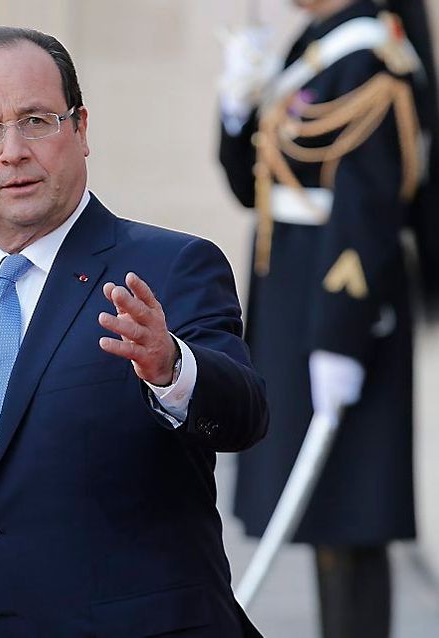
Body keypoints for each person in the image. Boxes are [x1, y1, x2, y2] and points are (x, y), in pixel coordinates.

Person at [0, 27, 269, 637]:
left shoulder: (169, 268)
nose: (13, 150)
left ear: (81, 129)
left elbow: (244, 414)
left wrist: (174, 370)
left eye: (37, 120)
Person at [217, 1, 438, 635]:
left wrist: (340, 334)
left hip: (341, 305)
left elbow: (367, 204)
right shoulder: (314, 45)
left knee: (349, 514)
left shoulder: (371, 55)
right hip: (293, 301)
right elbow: (250, 184)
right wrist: (237, 104)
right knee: (323, 514)